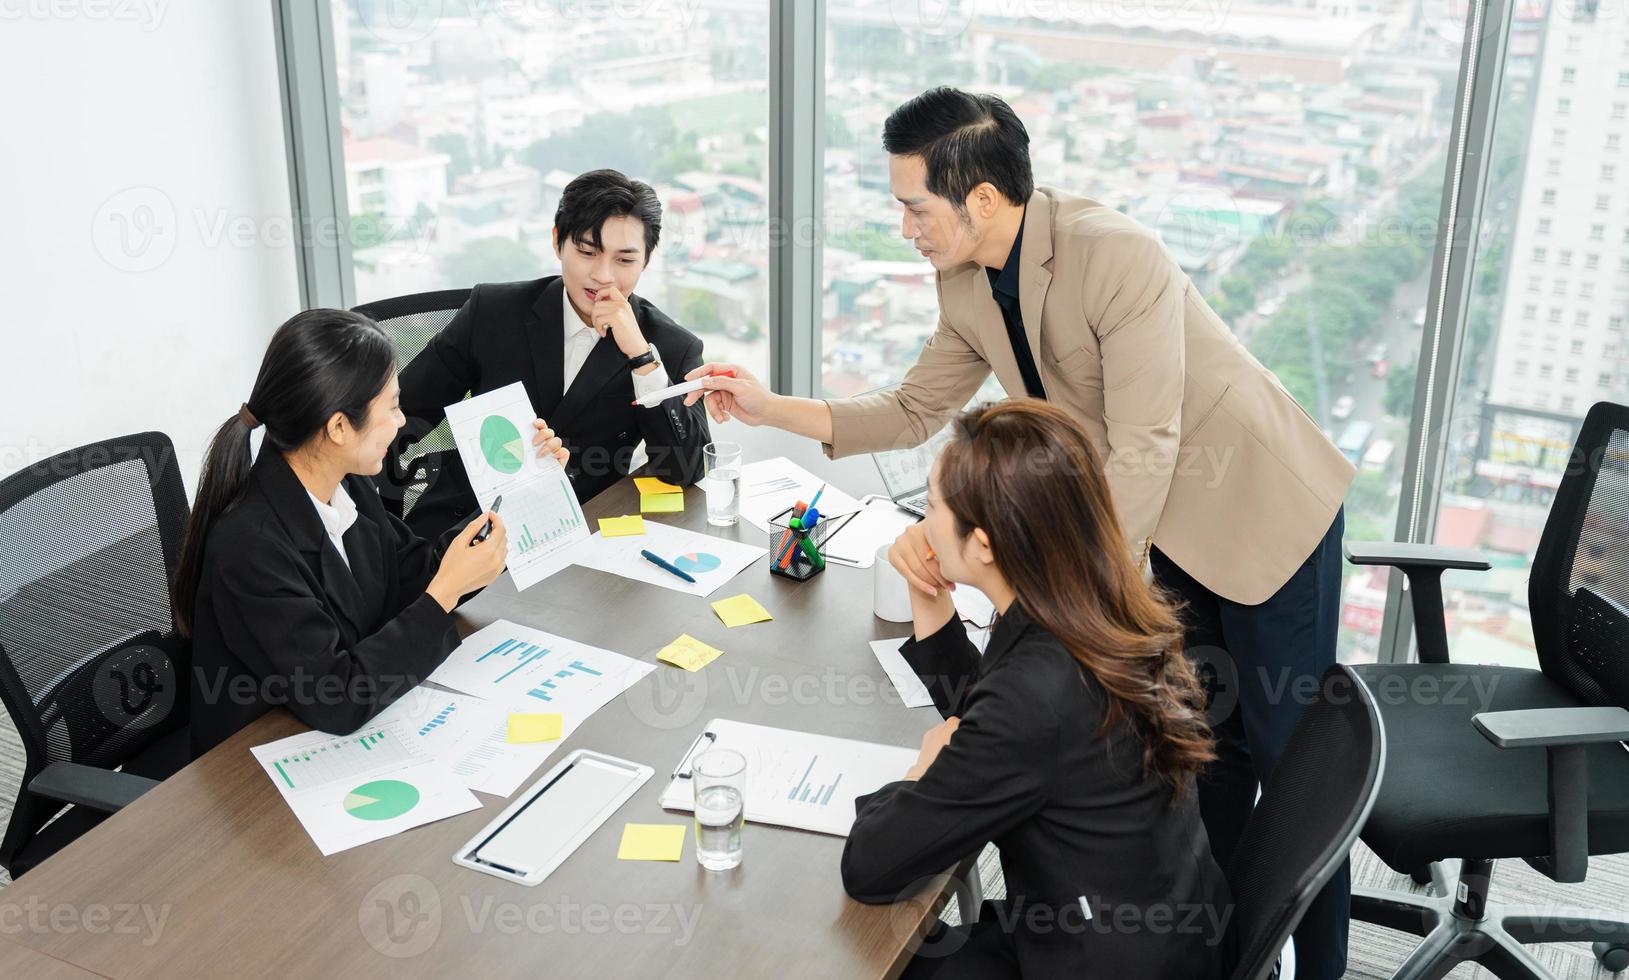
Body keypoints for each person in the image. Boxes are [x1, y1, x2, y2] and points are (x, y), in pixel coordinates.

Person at [688, 87, 1354, 978]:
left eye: (913, 207)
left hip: (1251, 507)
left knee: (1289, 757)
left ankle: (1324, 967)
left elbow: (1148, 442)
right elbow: (915, 406)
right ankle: (1232, 951)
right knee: (1203, 748)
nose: (905, 228)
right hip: (1141, 523)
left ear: (983, 200)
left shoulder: (1117, 254)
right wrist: (774, 408)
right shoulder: (963, 279)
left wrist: (1078, 604)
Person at [841, 400, 1231, 979]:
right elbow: (997, 716)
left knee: (862, 956)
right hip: (1162, 926)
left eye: (929, 505)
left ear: (986, 543)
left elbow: (872, 867)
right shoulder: (1101, 605)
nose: (920, 525)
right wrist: (929, 594)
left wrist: (923, 768)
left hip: (1093, 960)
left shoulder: (1038, 694)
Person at [174, 310, 509, 757]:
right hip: (259, 768)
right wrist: (443, 594)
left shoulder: (346, 486)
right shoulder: (249, 546)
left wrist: (520, 488)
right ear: (337, 427)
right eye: (391, 406)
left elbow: (414, 576)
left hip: (336, 736)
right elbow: (339, 695)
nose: (402, 420)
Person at [395, 168, 711, 545]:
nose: (603, 276)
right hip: (464, 523)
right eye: (587, 252)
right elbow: (401, 412)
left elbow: (688, 468)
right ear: (557, 241)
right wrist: (370, 516)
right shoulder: (493, 311)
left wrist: (641, 358)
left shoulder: (668, 346)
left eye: (625, 260)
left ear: (647, 258)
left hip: (580, 532)